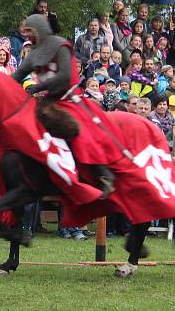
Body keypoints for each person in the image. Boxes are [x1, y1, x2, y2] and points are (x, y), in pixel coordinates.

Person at [12, 14, 121, 198]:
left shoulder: (60, 45)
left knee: (76, 130)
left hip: (70, 98)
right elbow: (15, 77)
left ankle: (102, 174)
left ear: (39, 29)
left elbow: (64, 76)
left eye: (30, 31)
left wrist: (37, 87)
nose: (28, 36)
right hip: (49, 101)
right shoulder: (34, 54)